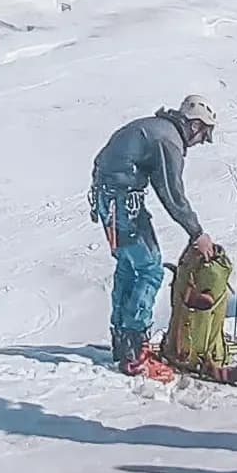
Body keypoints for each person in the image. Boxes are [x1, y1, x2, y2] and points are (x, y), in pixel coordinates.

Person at [88, 95, 218, 373]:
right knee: (150, 270)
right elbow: (172, 194)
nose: (201, 142)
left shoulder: (155, 127)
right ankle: (137, 350)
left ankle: (122, 343)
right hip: (123, 203)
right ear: (194, 126)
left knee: (127, 265)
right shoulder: (168, 141)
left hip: (108, 199)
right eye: (204, 135)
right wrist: (197, 233)